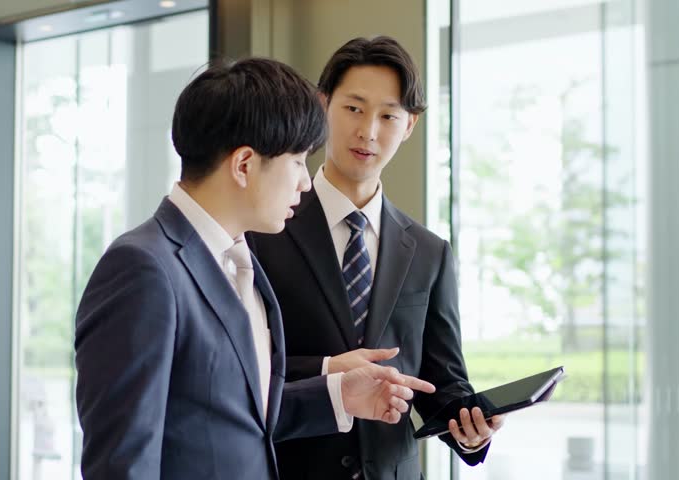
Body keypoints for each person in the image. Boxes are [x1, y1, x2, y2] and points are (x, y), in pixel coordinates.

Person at [73, 57, 435, 480]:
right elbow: (122, 463)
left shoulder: (242, 262)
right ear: (244, 164)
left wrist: (339, 395)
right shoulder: (142, 268)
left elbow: (239, 414)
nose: (304, 182)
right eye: (298, 161)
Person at [247, 37, 503, 479]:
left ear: (409, 126)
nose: (368, 131)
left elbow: (441, 380)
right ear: (322, 104)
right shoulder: (264, 229)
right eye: (353, 108)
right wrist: (330, 374)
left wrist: (470, 428)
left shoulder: (429, 252)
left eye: (388, 116)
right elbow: (244, 364)